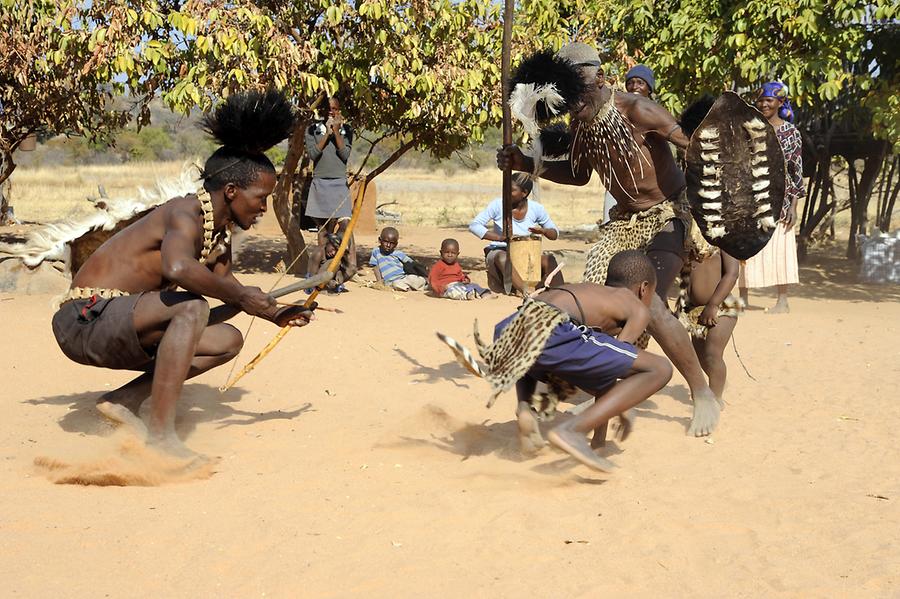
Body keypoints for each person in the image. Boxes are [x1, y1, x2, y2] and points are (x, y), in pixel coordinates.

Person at [50, 91, 314, 461]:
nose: (262, 209)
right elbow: (179, 269)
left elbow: (230, 289)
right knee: (191, 307)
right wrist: (240, 298)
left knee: (227, 338)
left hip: (119, 325)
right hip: (83, 321)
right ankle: (161, 438)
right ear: (232, 191)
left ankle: (123, 400)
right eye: (260, 198)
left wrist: (275, 313)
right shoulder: (185, 212)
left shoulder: (217, 233)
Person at [498, 41, 721, 436]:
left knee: (647, 303)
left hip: (669, 215)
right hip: (622, 225)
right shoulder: (581, 125)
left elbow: (695, 145)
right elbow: (580, 174)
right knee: (602, 311)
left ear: (599, 77)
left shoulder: (638, 110)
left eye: (579, 92)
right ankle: (600, 388)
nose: (574, 103)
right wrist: (528, 165)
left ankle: (701, 392)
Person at [471, 251, 671, 471]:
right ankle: (573, 432)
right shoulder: (637, 307)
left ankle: (525, 408)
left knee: (539, 351)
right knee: (660, 369)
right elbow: (608, 369)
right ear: (644, 288)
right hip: (552, 328)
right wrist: (604, 433)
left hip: (509, 328)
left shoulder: (588, 290)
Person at [739, 81, 803, 314]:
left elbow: (795, 170)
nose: (764, 104)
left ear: (780, 103)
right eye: (761, 100)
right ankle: (743, 299)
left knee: (781, 250)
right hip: (752, 198)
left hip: (781, 200)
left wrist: (794, 205)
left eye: (769, 100)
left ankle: (782, 301)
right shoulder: (750, 129)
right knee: (747, 249)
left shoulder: (790, 133)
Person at [469, 172, 563, 295]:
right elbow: (474, 225)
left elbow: (554, 234)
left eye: (511, 190)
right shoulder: (498, 205)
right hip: (500, 251)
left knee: (549, 259)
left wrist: (544, 231)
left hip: (526, 254)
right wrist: (500, 238)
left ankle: (560, 293)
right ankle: (525, 292)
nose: (506, 193)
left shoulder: (536, 209)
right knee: (503, 258)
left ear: (524, 193)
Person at [675, 236, 740, 401]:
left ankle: (715, 399)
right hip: (693, 311)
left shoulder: (720, 237)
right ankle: (717, 381)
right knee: (700, 357)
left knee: (712, 354)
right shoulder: (684, 237)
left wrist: (713, 304)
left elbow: (732, 274)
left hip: (721, 306)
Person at [304, 96, 357, 271]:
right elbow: (313, 154)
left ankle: (342, 268)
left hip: (339, 184)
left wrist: (336, 131)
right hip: (320, 183)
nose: (331, 112)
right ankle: (320, 272)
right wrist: (326, 134)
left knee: (344, 225)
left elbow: (344, 154)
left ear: (339, 110)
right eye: (328, 109)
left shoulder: (347, 130)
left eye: (334, 109)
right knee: (323, 230)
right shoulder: (312, 129)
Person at [602, 64, 656, 223]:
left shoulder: (657, 114)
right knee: (613, 228)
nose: (634, 86)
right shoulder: (615, 114)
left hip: (652, 188)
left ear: (649, 88)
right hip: (619, 183)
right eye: (630, 82)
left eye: (640, 82)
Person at [368, 226, 427, 291]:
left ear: (396, 244)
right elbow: (375, 267)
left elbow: (412, 263)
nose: (388, 245)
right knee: (396, 284)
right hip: (390, 282)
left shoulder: (398, 253)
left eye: (392, 243)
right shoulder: (376, 252)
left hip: (403, 277)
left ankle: (426, 284)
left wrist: (424, 272)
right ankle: (410, 288)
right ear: (380, 240)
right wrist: (379, 282)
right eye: (386, 241)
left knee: (412, 278)